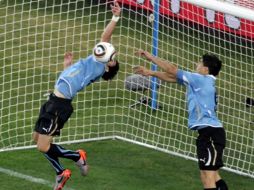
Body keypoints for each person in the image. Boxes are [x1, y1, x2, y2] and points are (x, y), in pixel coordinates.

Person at [32, 2, 121, 190]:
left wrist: (115, 17)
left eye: (113, 61)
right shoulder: (94, 61)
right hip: (53, 100)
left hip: (59, 105)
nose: (112, 58)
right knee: (37, 139)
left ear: (108, 67)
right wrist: (67, 65)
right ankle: (60, 172)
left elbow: (105, 37)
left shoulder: (98, 66)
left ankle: (75, 158)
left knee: (42, 146)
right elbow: (72, 77)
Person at [133, 50, 228, 190]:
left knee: (209, 180)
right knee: (210, 176)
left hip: (211, 135)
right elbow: (172, 78)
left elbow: (172, 70)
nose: (197, 64)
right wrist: (151, 73)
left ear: (205, 69)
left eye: (200, 62)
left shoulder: (200, 79)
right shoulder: (201, 81)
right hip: (207, 134)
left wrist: (150, 57)